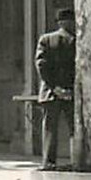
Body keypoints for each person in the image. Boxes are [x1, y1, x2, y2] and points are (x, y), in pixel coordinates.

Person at [35, 9, 76, 169]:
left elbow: (41, 65)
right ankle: (77, 159)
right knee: (75, 128)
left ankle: (48, 162)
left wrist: (54, 87)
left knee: (50, 129)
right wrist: (68, 89)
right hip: (70, 92)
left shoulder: (46, 39)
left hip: (50, 92)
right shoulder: (76, 41)